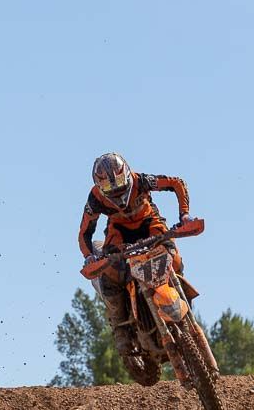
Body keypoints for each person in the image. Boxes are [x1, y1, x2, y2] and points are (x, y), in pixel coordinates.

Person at [78, 152, 193, 381]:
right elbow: (84, 232)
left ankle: (180, 295)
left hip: (150, 224)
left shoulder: (142, 181)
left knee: (175, 258)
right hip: (119, 235)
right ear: (99, 186)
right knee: (111, 273)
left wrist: (185, 214)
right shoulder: (95, 199)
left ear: (126, 175)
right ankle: (121, 327)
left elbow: (176, 183)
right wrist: (90, 255)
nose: (117, 190)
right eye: (110, 186)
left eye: (120, 183)